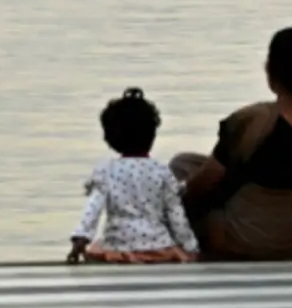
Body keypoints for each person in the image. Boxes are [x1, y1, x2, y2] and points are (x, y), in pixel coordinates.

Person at [173, 28, 292, 260]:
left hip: (245, 241)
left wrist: (169, 203)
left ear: (272, 70)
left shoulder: (257, 120)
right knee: (187, 161)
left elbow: (203, 186)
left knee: (180, 170)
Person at [68, 88, 200, 265]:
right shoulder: (161, 171)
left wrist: (81, 239)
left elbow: (93, 209)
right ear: (152, 134)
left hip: (118, 248)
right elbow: (176, 215)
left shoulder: (106, 171)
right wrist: (190, 247)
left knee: (98, 248)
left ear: (110, 138)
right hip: (158, 247)